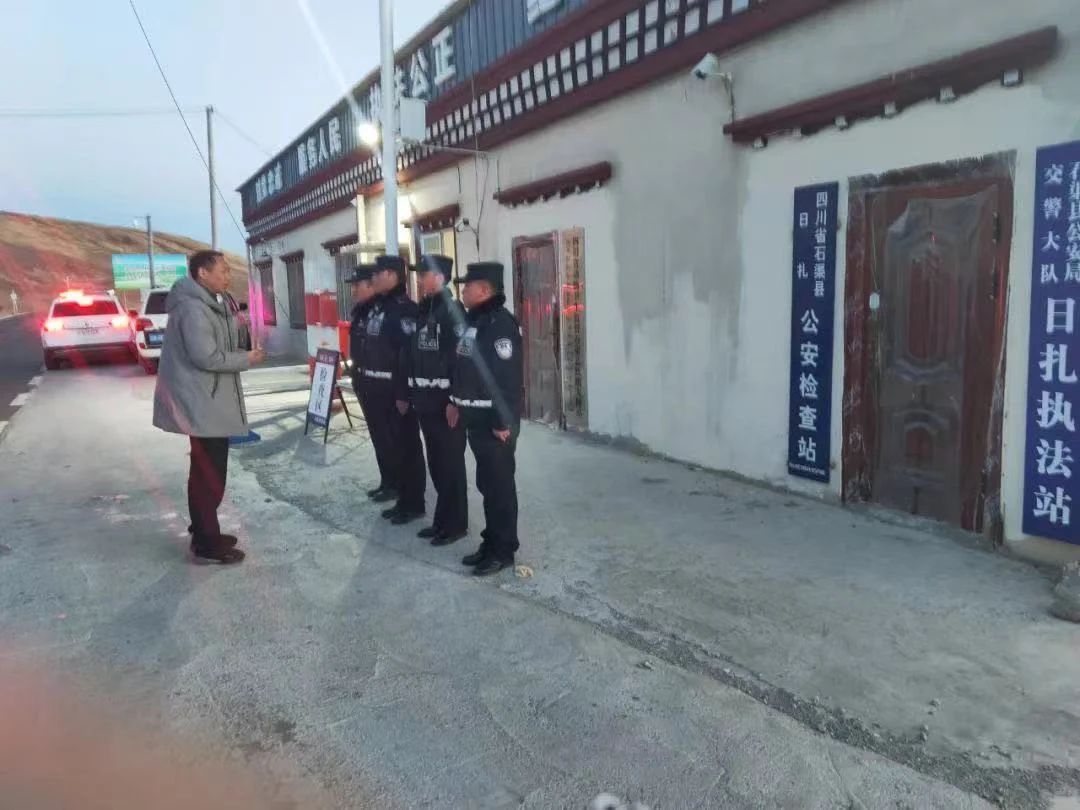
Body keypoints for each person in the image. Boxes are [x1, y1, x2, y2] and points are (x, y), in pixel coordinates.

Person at [153, 250, 266, 564]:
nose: (228, 275)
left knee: (206, 470)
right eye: (223, 270)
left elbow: (221, 344)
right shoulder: (193, 308)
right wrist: (247, 358)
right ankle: (206, 543)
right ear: (202, 273)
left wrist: (238, 328)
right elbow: (206, 356)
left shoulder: (212, 303)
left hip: (208, 400)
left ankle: (204, 530)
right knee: (209, 473)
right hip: (202, 402)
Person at [449, 262, 523, 576]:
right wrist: (454, 401)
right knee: (487, 486)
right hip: (475, 420)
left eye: (467, 286)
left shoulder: (500, 325)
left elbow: (507, 378)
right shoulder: (474, 322)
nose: (463, 291)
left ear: (484, 290)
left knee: (500, 488)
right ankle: (491, 542)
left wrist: (503, 422)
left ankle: (503, 551)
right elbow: (462, 368)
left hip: (495, 425)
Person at [405, 255, 468, 546]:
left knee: (450, 465)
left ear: (440, 278)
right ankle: (442, 520)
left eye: (424, 275)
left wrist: (455, 400)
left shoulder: (452, 312)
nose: (419, 280)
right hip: (427, 403)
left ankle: (455, 525)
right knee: (437, 465)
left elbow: (462, 360)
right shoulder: (426, 310)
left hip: (445, 405)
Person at [363, 254, 426, 524]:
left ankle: (414, 503)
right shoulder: (379, 307)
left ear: (391, 275)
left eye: (377, 274)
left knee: (407, 447)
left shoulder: (405, 310)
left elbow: (407, 355)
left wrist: (403, 394)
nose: (373, 279)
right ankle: (402, 498)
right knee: (392, 448)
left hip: (396, 393)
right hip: (377, 391)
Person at [346, 263, 393, 500]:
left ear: (371, 286)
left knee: (389, 438)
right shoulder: (362, 312)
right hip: (364, 382)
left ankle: (396, 484)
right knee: (377, 436)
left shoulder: (382, 311)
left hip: (382, 386)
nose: (353, 290)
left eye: (358, 285)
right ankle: (387, 480)